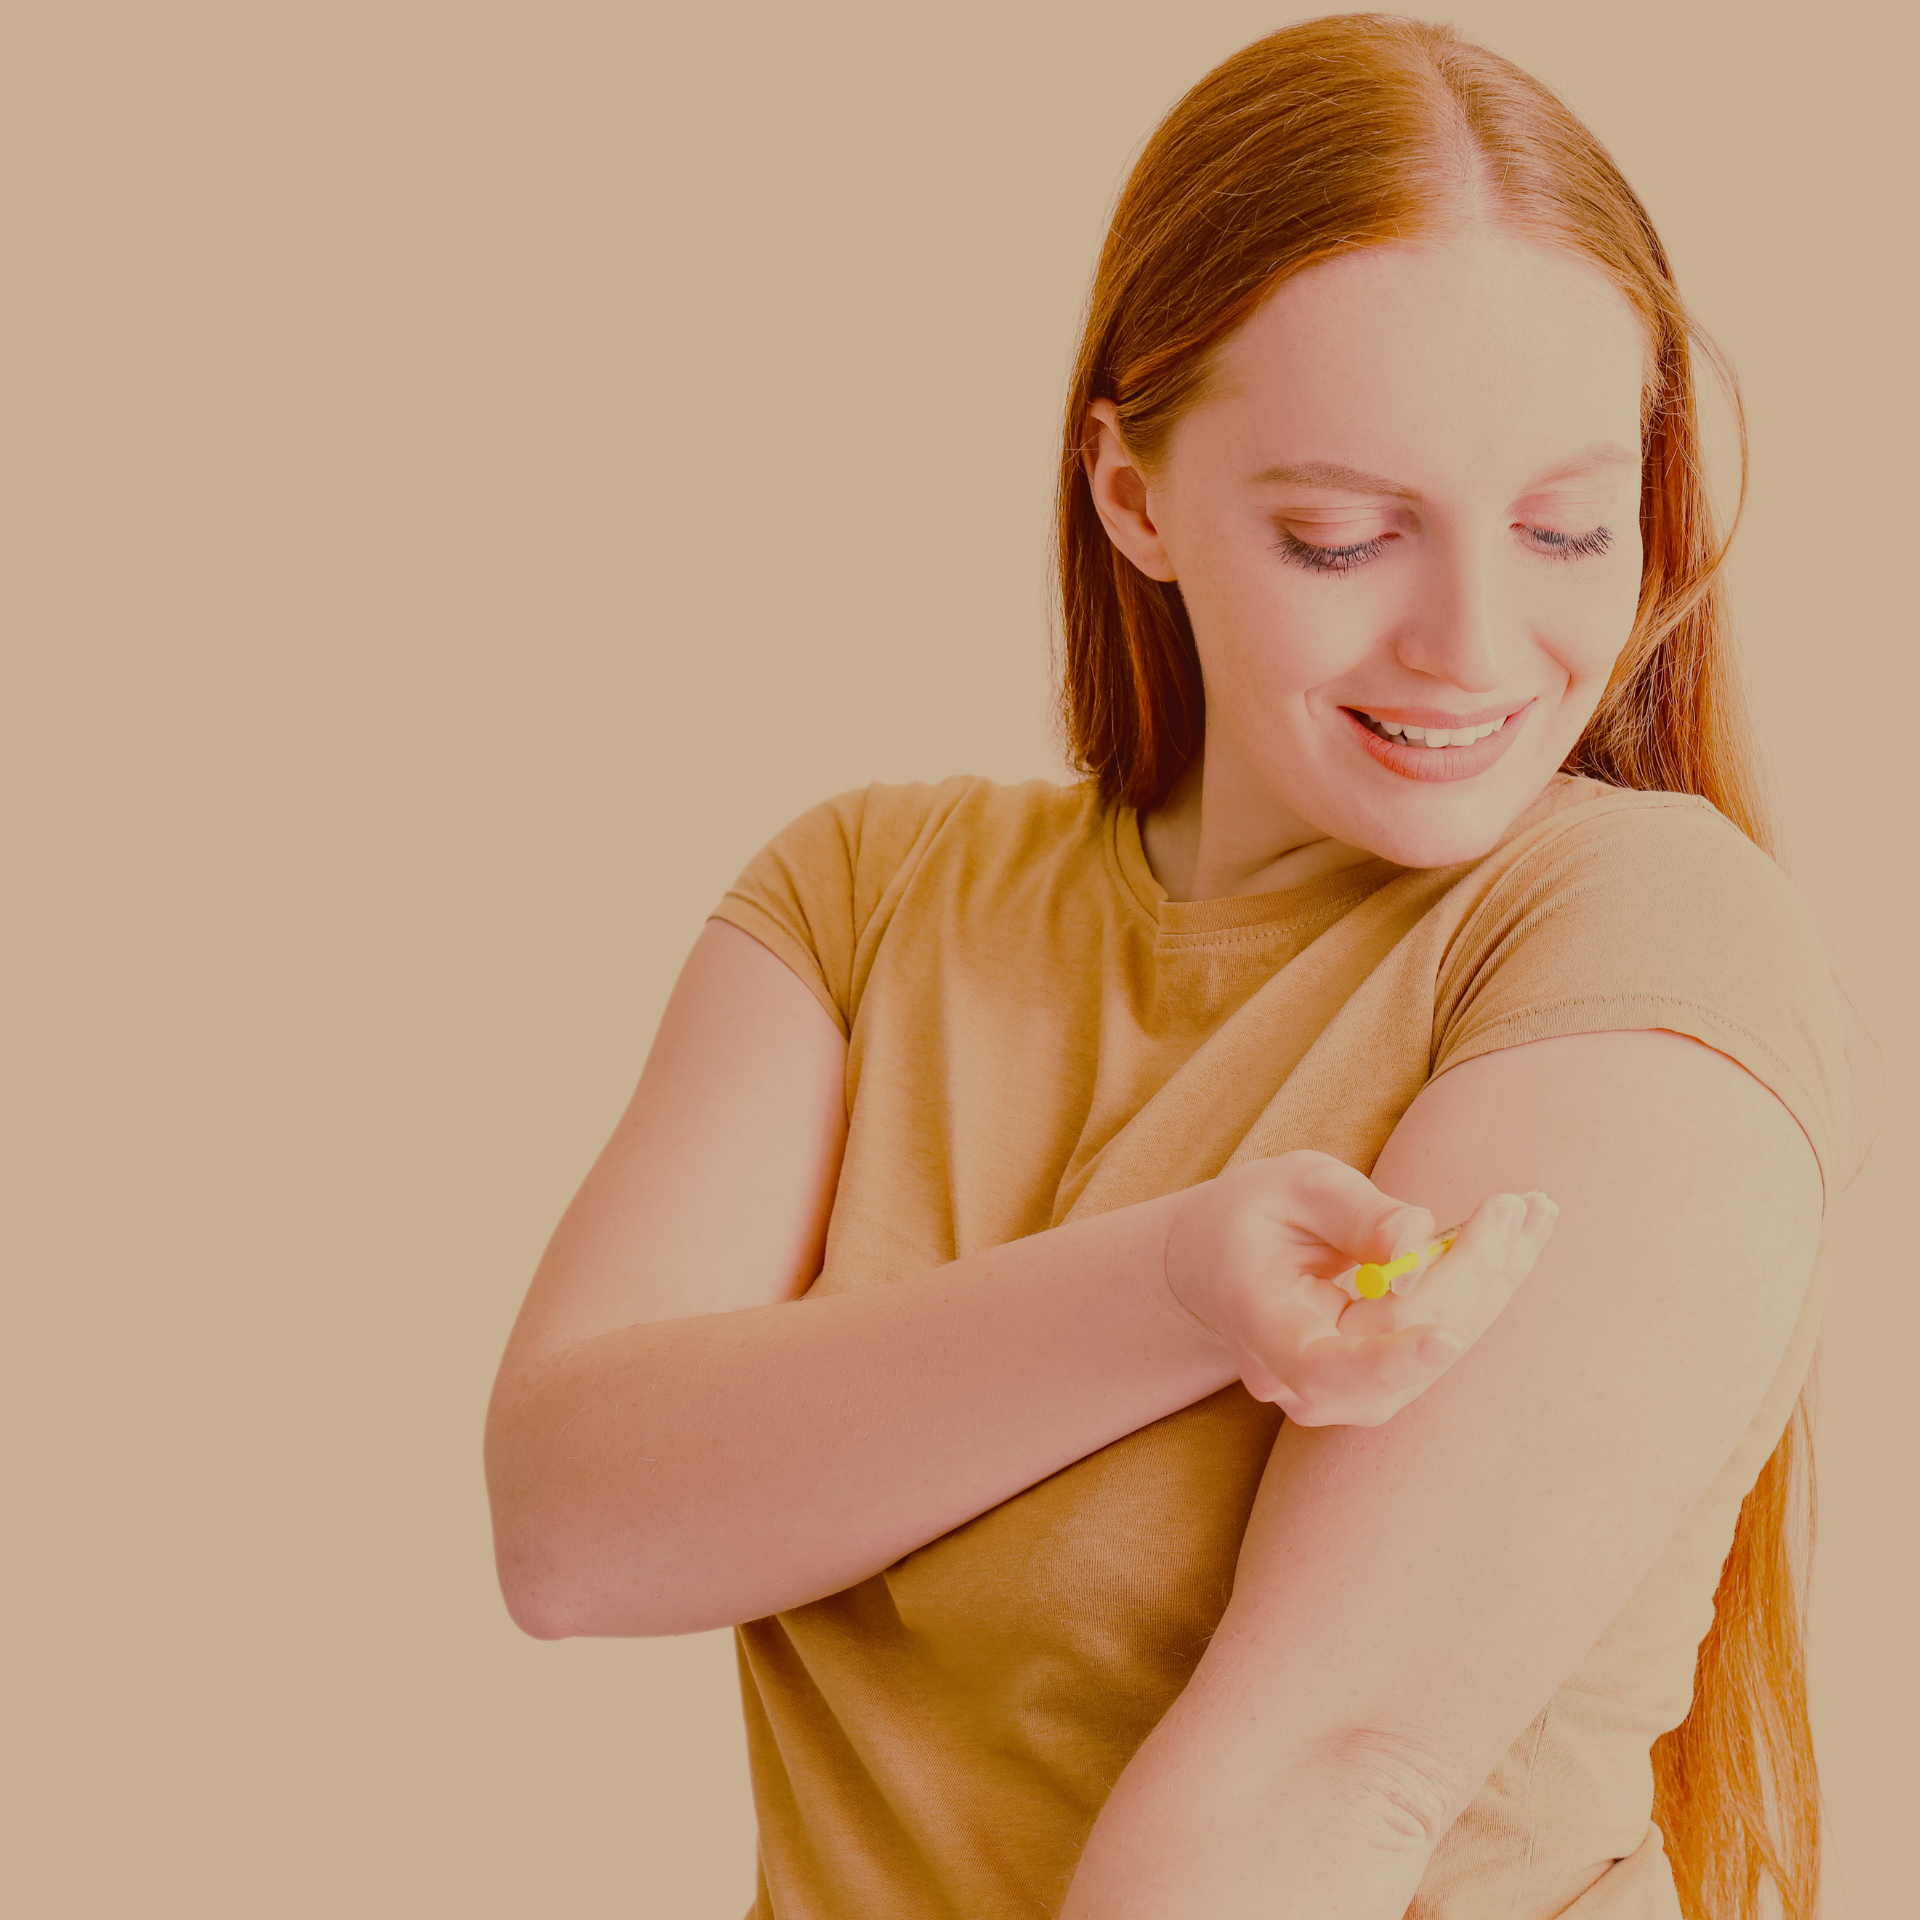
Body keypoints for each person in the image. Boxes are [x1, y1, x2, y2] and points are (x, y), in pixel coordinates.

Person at [483, 15, 1860, 1918]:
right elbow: (571, 1526)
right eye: (1343, 536)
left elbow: (1324, 1787)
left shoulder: (1638, 930)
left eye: (1565, 527)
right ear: (1132, 493)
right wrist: (1175, 1288)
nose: (1476, 644)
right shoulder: (865, 898)